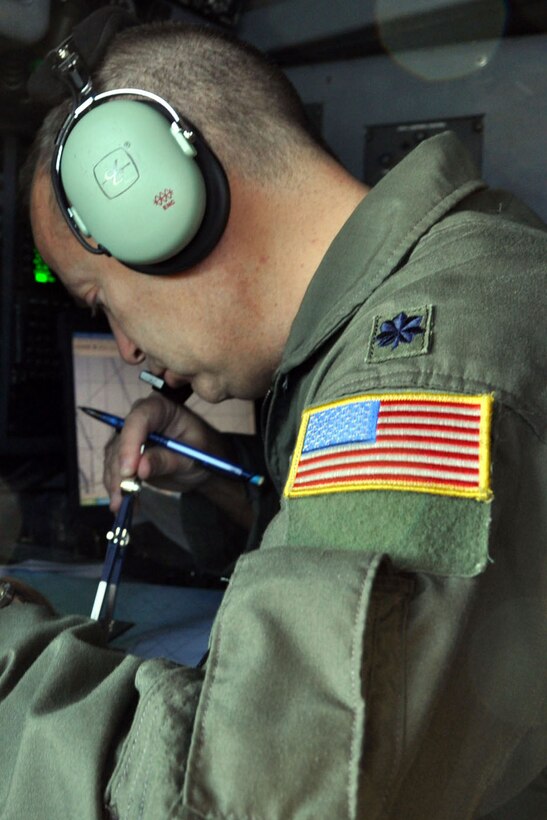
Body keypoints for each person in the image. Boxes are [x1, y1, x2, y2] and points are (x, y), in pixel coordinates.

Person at [1, 17, 546, 820]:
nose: (125, 348)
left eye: (100, 297)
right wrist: (228, 483)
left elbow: (245, 796)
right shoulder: (434, 301)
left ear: (165, 207)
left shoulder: (430, 362)